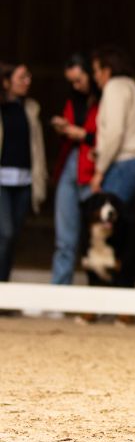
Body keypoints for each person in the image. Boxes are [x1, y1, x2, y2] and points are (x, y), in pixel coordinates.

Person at [50, 54, 100, 285]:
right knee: (65, 237)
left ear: (90, 74)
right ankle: (59, 294)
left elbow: (109, 137)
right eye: (71, 81)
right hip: (70, 165)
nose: (76, 85)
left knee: (97, 236)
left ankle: (100, 297)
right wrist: (62, 128)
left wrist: (83, 135)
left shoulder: (104, 99)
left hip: (93, 169)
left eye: (79, 79)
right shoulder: (72, 100)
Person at [0, 63, 47, 282]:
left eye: (28, 76)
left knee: (13, 238)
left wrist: (39, 180)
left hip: (24, 181)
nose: (27, 81)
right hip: (1, 181)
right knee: (5, 233)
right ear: (6, 81)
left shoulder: (30, 108)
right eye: (21, 77)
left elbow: (37, 147)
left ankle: (5, 292)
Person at [90, 46, 135, 206]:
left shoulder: (114, 87)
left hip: (124, 165)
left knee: (106, 217)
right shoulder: (134, 88)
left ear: (107, 71)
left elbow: (115, 132)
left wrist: (99, 171)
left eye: (96, 71)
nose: (95, 77)